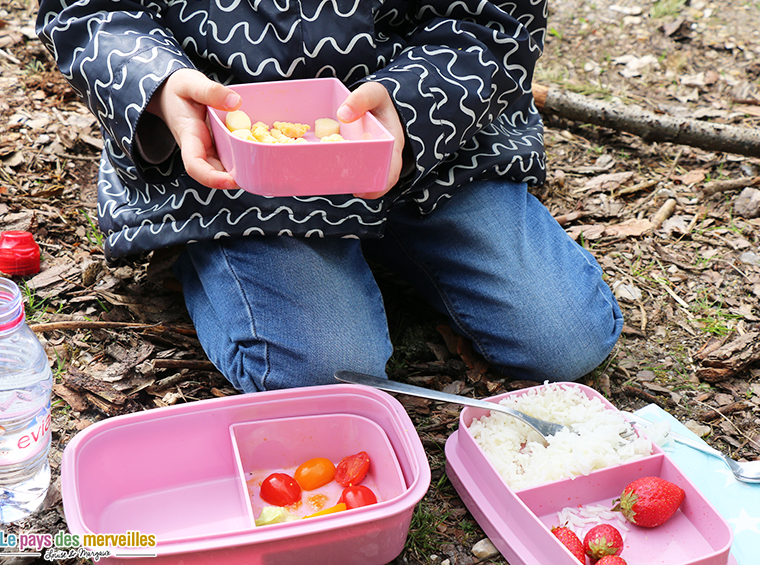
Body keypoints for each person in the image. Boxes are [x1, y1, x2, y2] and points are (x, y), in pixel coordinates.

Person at [36, 0, 623, 393]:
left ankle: (389, 248)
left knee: (563, 340)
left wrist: (414, 108)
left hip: (432, 138)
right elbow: (88, 12)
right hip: (237, 155)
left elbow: (491, 22)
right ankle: (210, 257)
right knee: (330, 374)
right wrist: (158, 83)